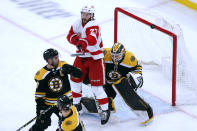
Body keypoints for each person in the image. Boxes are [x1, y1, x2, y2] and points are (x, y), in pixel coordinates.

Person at [84, 42, 154, 124]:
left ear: (123, 54)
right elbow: (92, 58)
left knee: (124, 90)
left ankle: (144, 112)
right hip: (106, 82)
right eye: (112, 56)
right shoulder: (105, 53)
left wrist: (137, 78)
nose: (114, 58)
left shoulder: (130, 58)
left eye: (117, 56)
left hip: (121, 82)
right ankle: (85, 105)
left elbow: (137, 68)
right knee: (102, 99)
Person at [66, 5, 110, 125]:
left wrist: (82, 42)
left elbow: (92, 39)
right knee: (75, 81)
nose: (84, 16)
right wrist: (76, 40)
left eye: (87, 14)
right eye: (83, 14)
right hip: (81, 58)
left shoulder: (94, 25)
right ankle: (76, 105)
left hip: (95, 58)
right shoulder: (77, 23)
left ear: (92, 15)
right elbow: (69, 35)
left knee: (96, 88)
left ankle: (105, 110)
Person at [29, 48, 82, 131]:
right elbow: (39, 96)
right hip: (49, 104)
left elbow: (79, 74)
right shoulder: (42, 74)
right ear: (49, 60)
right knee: (41, 123)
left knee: (72, 122)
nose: (58, 59)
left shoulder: (63, 65)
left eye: (57, 57)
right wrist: (40, 110)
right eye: (56, 58)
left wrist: (71, 69)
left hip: (65, 101)